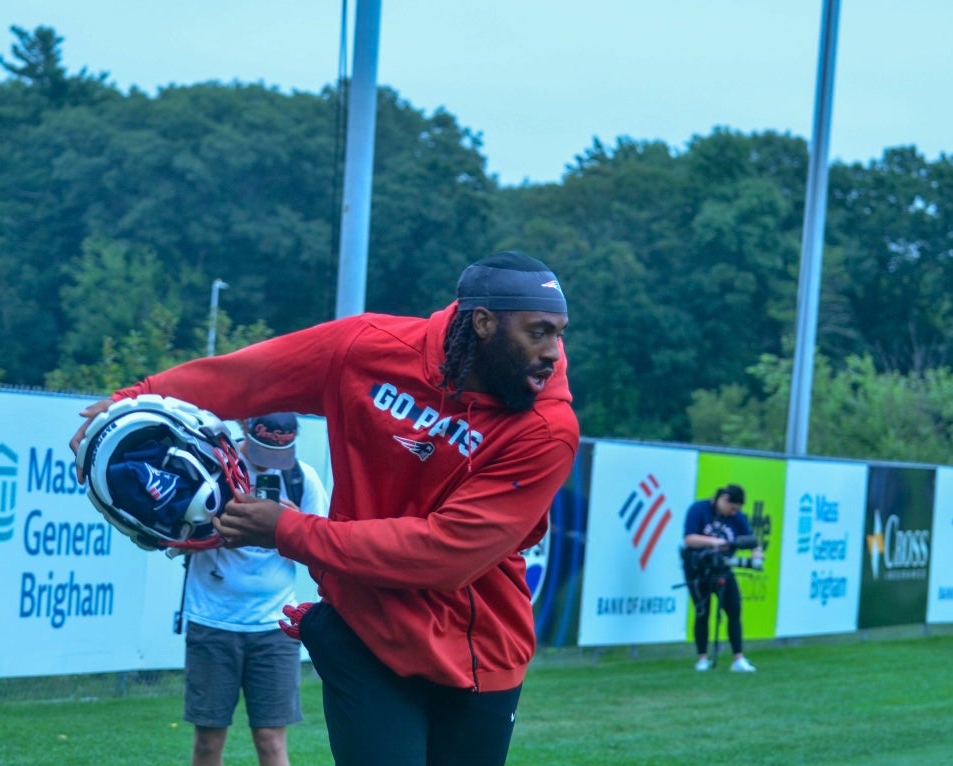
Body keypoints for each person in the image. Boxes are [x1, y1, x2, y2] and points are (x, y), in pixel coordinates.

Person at [71, 251, 578, 766]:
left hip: (476, 657)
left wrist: (288, 530)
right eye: (538, 332)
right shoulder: (369, 348)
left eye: (559, 333)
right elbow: (248, 377)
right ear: (484, 323)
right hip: (365, 635)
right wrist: (129, 404)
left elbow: (446, 555)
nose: (553, 353)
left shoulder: (547, 429)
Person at [182, 412, 329, 766]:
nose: (269, 466)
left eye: (280, 454)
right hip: (212, 618)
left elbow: (323, 547)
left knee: (271, 739)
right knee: (208, 739)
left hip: (275, 626)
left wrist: (291, 527)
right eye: (262, 453)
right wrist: (219, 533)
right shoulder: (211, 469)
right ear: (246, 428)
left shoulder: (301, 478)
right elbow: (176, 534)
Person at [682, 483, 758, 673]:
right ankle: (702, 659)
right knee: (702, 612)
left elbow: (750, 539)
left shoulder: (737, 517)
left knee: (733, 610)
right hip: (698, 569)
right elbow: (689, 538)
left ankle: (738, 658)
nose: (733, 513)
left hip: (724, 568)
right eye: (732, 508)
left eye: (737, 510)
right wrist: (716, 542)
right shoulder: (698, 509)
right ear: (723, 499)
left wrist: (756, 552)